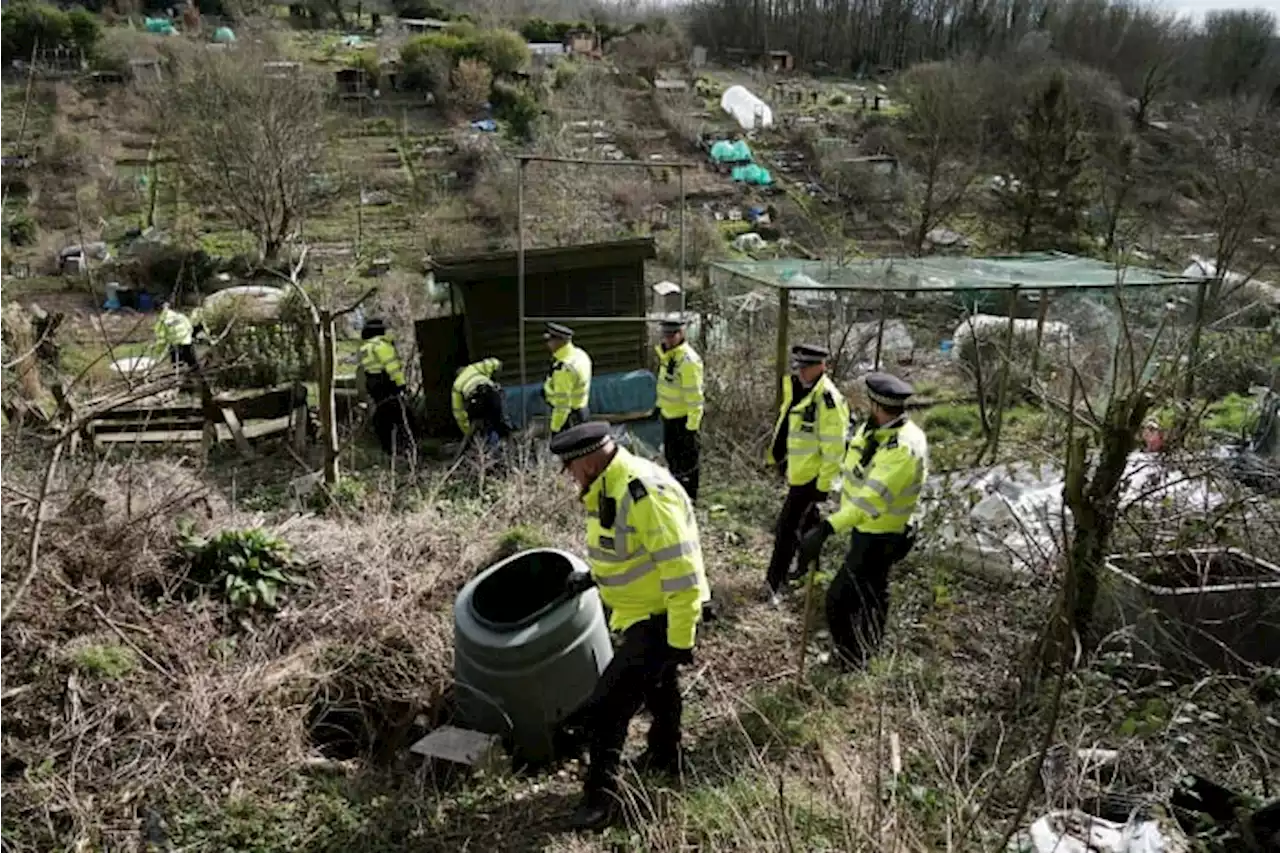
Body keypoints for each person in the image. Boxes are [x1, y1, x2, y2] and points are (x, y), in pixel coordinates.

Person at [551, 421, 708, 831]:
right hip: (639, 612)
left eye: (569, 468)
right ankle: (666, 753)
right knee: (659, 687)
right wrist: (591, 578)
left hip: (662, 617)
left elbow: (682, 572)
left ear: (586, 462)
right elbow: (625, 549)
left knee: (607, 707)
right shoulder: (605, 485)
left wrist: (679, 640)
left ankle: (600, 800)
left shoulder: (645, 493)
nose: (569, 477)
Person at [796, 372, 928, 668]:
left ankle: (849, 659)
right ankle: (866, 654)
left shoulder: (902, 449)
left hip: (883, 536)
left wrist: (827, 529)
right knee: (871, 594)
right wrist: (829, 501)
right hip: (866, 530)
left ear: (877, 406)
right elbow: (854, 471)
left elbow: (869, 502)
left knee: (839, 600)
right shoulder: (874, 430)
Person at [763, 344, 849, 606]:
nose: (800, 372)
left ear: (820, 367)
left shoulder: (827, 400)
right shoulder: (801, 390)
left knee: (786, 530)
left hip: (811, 480)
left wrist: (822, 487)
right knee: (809, 527)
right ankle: (809, 574)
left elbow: (834, 449)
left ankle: (774, 583)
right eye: (798, 367)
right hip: (798, 474)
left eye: (805, 368)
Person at [655, 318, 705, 502]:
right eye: (665, 335)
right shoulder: (667, 355)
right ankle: (677, 492)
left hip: (684, 420)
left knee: (687, 462)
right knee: (672, 458)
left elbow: (695, 397)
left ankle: (690, 497)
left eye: (672, 335)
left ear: (681, 334)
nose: (668, 339)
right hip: (669, 415)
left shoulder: (688, 360)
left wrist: (692, 427)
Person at [357, 318, 409, 455]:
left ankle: (387, 446)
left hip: (373, 384)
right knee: (400, 414)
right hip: (386, 383)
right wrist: (401, 384)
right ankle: (405, 445)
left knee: (382, 414)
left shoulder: (364, 348)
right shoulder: (382, 345)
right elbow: (392, 368)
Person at [452, 357, 513, 451]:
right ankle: (508, 442)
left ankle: (491, 449)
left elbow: (458, 412)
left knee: (485, 426)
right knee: (499, 420)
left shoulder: (456, 385)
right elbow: (495, 363)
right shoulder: (473, 368)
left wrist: (467, 430)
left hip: (475, 400)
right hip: (491, 394)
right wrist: (495, 376)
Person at [543, 322, 593, 436]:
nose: (548, 344)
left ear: (559, 342)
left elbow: (562, 405)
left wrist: (555, 429)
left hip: (568, 419)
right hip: (582, 411)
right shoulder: (580, 354)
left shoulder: (564, 369)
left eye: (550, 341)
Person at [154, 298, 199, 371]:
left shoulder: (162, 321)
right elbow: (189, 326)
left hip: (175, 345)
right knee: (192, 363)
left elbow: (161, 338)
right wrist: (189, 336)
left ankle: (180, 378)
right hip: (186, 341)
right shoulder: (179, 315)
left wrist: (158, 351)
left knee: (177, 365)